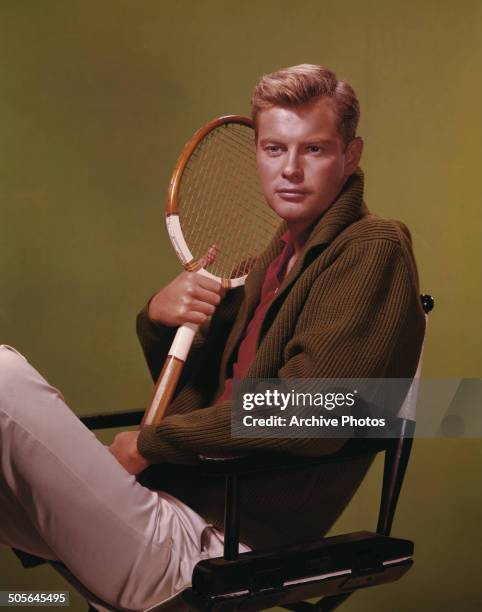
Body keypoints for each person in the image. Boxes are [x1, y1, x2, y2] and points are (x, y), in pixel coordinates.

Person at [0, 64, 425, 611]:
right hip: (163, 503)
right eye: (274, 149)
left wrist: (146, 444)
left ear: (351, 155)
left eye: (314, 150)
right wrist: (158, 317)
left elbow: (319, 412)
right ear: (258, 154)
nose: (290, 170)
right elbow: (193, 392)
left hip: (214, 544)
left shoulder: (372, 248)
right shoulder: (269, 266)